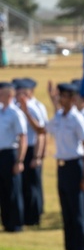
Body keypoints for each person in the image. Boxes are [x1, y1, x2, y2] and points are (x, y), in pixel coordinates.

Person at [48, 82, 84, 250]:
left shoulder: (77, 119)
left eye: (62, 96)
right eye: (59, 95)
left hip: (75, 165)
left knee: (77, 210)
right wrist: (26, 111)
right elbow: (43, 129)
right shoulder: (59, 116)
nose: (59, 98)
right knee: (66, 211)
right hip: (62, 166)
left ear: (72, 99)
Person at [13, 78, 47, 226]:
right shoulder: (14, 107)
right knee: (23, 185)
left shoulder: (33, 108)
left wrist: (37, 155)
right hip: (20, 148)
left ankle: (34, 216)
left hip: (32, 148)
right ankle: (25, 214)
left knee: (32, 185)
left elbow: (41, 132)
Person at [0, 81, 27, 232]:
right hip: (0, 154)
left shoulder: (15, 113)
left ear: (9, 95)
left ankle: (15, 223)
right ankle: (6, 222)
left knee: (13, 190)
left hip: (10, 153)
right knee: (3, 190)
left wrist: (20, 160)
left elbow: (23, 137)